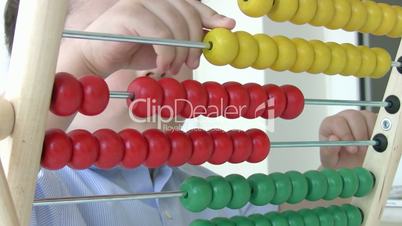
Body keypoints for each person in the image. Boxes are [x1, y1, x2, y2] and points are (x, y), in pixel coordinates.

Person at [4, 0, 371, 225]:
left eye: (173, 42)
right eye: (122, 45)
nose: (157, 63)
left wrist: (339, 180)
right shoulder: (30, 190)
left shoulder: (206, 189)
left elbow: (283, 221)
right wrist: (83, 62)